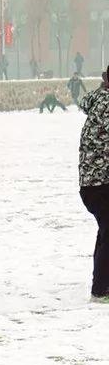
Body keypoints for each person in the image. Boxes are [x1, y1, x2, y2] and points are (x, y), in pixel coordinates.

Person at [78, 69, 109, 303]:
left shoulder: (99, 98)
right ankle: (100, 289)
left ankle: (101, 287)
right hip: (101, 184)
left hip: (92, 183)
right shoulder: (106, 106)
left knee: (106, 232)